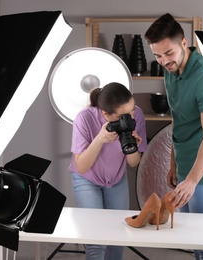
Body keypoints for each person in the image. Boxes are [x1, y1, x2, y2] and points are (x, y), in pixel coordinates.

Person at [145, 13, 203, 260]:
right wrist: (174, 163)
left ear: (184, 43)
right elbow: (179, 121)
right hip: (187, 167)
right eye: (157, 55)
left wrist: (192, 180)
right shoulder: (170, 69)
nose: (163, 61)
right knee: (194, 240)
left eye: (169, 53)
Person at [68, 82, 147, 260]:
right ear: (105, 114)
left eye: (133, 109)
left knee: (118, 236)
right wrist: (100, 139)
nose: (131, 116)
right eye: (124, 115)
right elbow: (81, 166)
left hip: (117, 178)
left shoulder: (137, 116)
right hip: (87, 179)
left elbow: (133, 163)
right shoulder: (84, 118)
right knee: (95, 239)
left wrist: (132, 145)